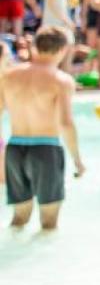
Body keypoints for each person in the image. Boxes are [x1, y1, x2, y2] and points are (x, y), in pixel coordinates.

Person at [1, 26, 86, 229]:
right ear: (63, 50)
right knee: (49, 222)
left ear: (35, 46)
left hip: (14, 150)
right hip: (45, 149)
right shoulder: (61, 81)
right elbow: (66, 123)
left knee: (19, 219)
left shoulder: (8, 76)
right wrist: (77, 159)